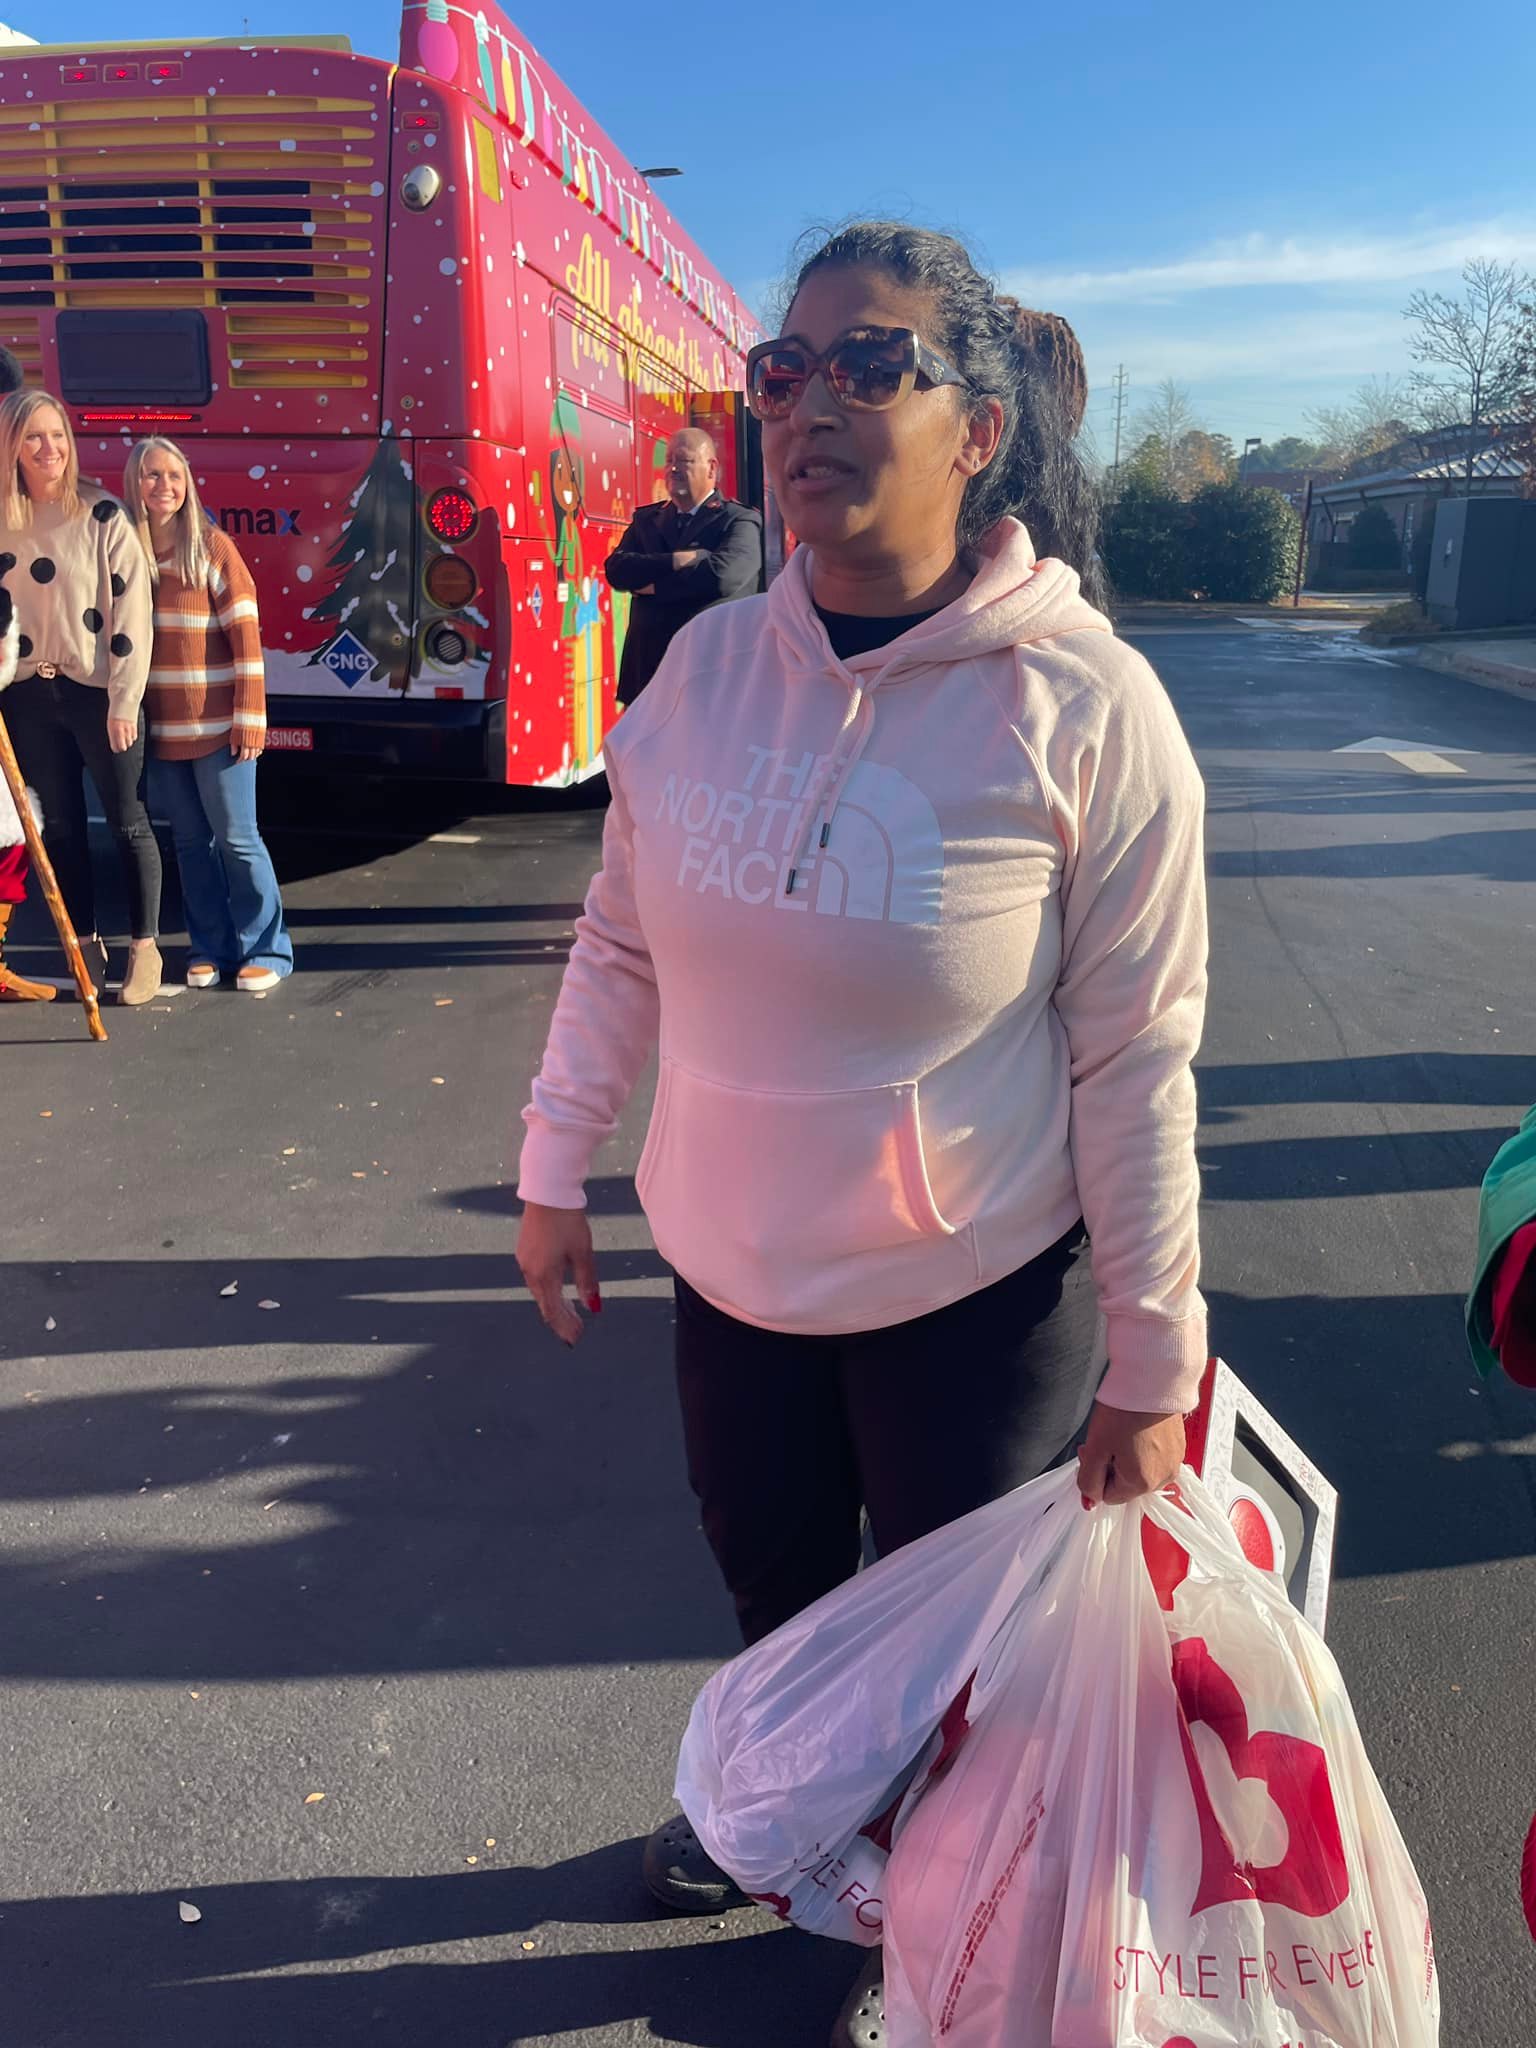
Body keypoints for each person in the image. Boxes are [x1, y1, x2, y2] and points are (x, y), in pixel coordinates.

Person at [515, 223, 1207, 2046]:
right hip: (732, 1267)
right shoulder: (702, 673)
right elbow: (619, 936)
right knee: (778, 1593)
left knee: (961, 1668)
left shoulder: (1086, 706)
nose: (810, 405)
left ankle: (937, 1932)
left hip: (970, 1291)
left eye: (871, 365)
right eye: (785, 370)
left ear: (977, 429)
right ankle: (786, 1819)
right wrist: (553, 1161)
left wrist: (1157, 1352)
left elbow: (1139, 1054)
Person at [0, 389, 160, 1004]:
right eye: (34, 437)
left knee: (127, 821)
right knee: (61, 828)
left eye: (57, 435)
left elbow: (132, 615)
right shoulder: (4, 518)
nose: (50, 449)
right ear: (12, 447)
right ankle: (84, 946)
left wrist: (124, 700)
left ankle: (144, 948)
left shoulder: (103, 516)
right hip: (25, 698)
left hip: (97, 693)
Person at [122, 437, 292, 992]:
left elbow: (246, 634)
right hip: (161, 730)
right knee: (191, 844)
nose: (164, 486)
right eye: (152, 475)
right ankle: (209, 948)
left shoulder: (213, 548)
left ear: (188, 485)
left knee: (238, 839)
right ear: (134, 483)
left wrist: (251, 713)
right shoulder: (129, 555)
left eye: (174, 475)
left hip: (220, 728)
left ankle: (268, 949)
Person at [603, 427, 763, 706]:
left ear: (711, 468)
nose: (673, 468)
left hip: (712, 679)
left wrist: (654, 587)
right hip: (648, 678)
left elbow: (722, 577)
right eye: (669, 461)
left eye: (683, 460)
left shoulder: (738, 521)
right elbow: (617, 570)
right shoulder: (646, 520)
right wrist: (679, 560)